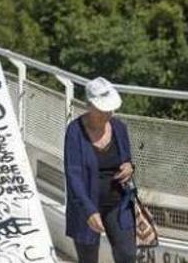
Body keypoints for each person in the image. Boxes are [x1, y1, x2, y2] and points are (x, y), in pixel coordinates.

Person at [65, 77, 137, 263]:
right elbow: (74, 176)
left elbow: (127, 160)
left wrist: (129, 167)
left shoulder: (119, 127)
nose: (107, 114)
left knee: (127, 254)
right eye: (102, 109)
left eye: (110, 109)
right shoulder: (74, 132)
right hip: (86, 205)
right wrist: (89, 211)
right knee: (88, 259)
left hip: (117, 203)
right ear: (89, 105)